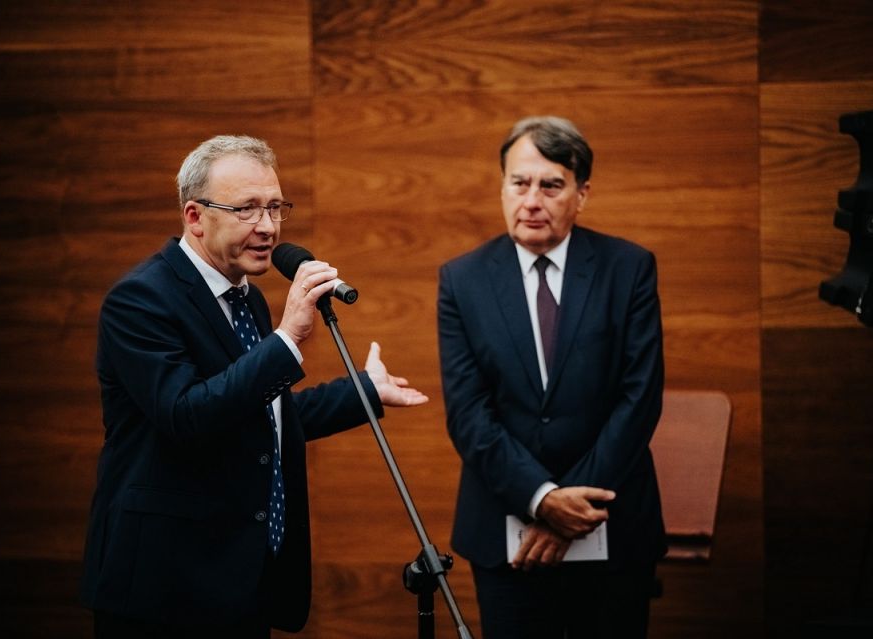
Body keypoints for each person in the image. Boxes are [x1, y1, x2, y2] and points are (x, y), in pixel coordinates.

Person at [80, 134, 428, 638]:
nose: (268, 226)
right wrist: (287, 338)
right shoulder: (139, 301)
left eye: (275, 207)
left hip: (239, 580)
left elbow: (260, 419)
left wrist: (363, 391)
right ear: (195, 216)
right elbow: (188, 415)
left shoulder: (247, 300)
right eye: (246, 209)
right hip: (164, 588)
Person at [437, 116, 665, 638]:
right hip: (506, 537)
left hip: (612, 527)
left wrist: (573, 508)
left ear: (582, 194)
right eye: (519, 183)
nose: (532, 200)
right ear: (502, 187)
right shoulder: (462, 280)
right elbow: (469, 415)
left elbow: (639, 398)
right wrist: (542, 499)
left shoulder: (629, 269)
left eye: (551, 185)